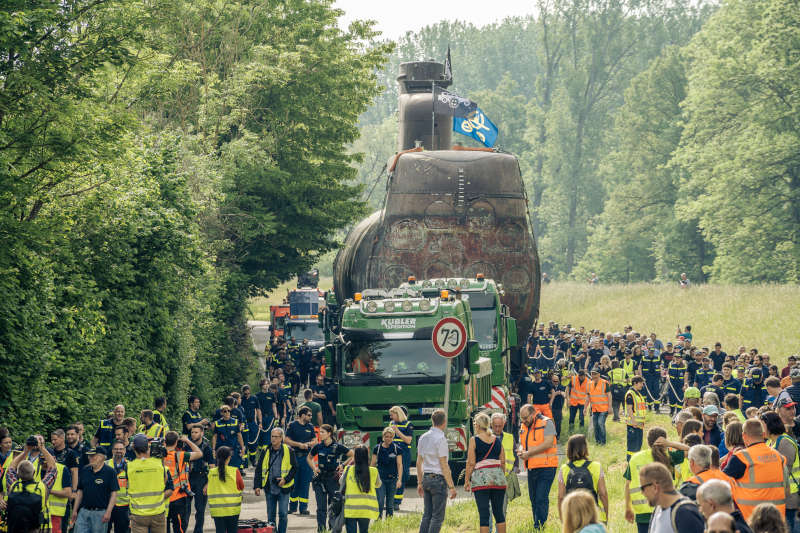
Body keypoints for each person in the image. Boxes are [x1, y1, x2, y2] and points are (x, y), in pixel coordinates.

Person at [722, 418, 789, 521]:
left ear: (744, 436)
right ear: (763, 434)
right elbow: (787, 489)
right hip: (777, 518)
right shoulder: (778, 456)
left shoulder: (741, 457)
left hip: (751, 519)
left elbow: (720, 483)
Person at [625, 427, 688, 533]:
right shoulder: (668, 456)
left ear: (647, 441)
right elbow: (691, 450)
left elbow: (627, 485)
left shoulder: (635, 458)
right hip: (664, 508)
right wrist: (670, 443)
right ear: (664, 442)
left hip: (642, 512)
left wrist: (628, 507)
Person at [463, 413, 506, 533]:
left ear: (476, 425)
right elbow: (502, 461)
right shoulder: (497, 440)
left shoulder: (474, 440)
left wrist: (467, 480)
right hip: (498, 479)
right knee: (499, 513)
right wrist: (500, 476)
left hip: (481, 481)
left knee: (484, 514)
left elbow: (471, 463)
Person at [417, 409, 457, 533]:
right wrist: (451, 486)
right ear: (444, 422)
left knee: (427, 515)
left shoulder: (423, 437)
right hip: (438, 480)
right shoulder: (441, 439)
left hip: (426, 478)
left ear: (432, 421)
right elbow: (444, 465)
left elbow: (419, 462)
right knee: (437, 517)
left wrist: (419, 482)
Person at [518, 404, 558, 530]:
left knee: (541, 497)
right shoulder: (524, 426)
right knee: (534, 498)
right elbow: (522, 443)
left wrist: (529, 453)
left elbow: (548, 443)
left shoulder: (547, 423)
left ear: (533, 413)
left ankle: (539, 526)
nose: (523, 421)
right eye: (522, 418)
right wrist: (521, 451)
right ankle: (537, 522)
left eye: (525, 418)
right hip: (532, 467)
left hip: (547, 467)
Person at [760, 411, 800, 529]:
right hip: (779, 495)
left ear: (770, 425)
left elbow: (782, 471)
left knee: (789, 528)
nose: (760, 429)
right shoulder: (770, 442)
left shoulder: (784, 442)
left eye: (762, 425)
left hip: (790, 497)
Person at [639, 462, 705, 533]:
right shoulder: (658, 510)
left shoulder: (685, 514)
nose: (642, 493)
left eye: (642, 488)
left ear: (655, 487)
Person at [126, 434, 173, 533]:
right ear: (148, 447)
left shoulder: (129, 467)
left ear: (133, 448)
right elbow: (165, 482)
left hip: (138, 514)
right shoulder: (159, 464)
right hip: (158, 513)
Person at [557, 434, 608, 523]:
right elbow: (603, 493)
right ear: (585, 448)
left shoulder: (564, 469)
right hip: (595, 517)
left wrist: (562, 519)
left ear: (569, 449)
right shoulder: (596, 466)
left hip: (573, 518)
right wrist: (606, 514)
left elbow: (561, 497)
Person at [309, 424, 352, 530]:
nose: (320, 434)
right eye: (320, 432)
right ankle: (321, 529)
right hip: (320, 479)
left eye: (322, 432)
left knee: (334, 505)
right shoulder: (318, 446)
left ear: (329, 434)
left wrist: (342, 465)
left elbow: (352, 454)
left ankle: (333, 528)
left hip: (333, 479)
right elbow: (309, 458)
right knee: (321, 508)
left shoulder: (337, 446)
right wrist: (314, 468)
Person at [254, 428, 296, 533]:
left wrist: (285, 479)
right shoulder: (265, 450)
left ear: (281, 438)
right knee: (271, 516)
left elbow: (295, 468)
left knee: (283, 514)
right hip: (270, 487)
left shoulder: (289, 450)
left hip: (284, 488)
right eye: (272, 436)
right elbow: (259, 469)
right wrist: (257, 486)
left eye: (276, 437)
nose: (273, 439)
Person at [71, 447, 118, 533]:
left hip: (100, 513)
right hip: (83, 512)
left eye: (93, 456)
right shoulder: (85, 470)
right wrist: (74, 510)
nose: (90, 458)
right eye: (89, 456)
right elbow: (80, 491)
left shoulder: (110, 472)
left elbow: (114, 494)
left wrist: (108, 512)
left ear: (101, 457)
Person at [162, 432, 202, 533]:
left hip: (164, 497)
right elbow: (199, 453)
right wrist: (187, 440)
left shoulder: (158, 457)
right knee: (179, 528)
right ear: (176, 442)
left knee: (164, 528)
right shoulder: (180, 455)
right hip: (179, 497)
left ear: (165, 442)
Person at [285, 406, 316, 515]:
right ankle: (292, 507)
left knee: (305, 483)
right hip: (294, 457)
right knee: (294, 483)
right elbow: (286, 439)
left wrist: (308, 444)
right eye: (309, 415)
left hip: (306, 458)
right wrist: (298, 444)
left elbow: (314, 440)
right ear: (302, 415)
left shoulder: (310, 427)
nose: (310, 417)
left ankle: (303, 508)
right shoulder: (292, 425)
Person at [205, 446, 244, 533]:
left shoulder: (211, 472)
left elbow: (208, 488)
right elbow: (241, 486)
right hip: (233, 509)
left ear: (216, 457)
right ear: (229, 457)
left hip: (217, 510)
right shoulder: (235, 471)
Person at [371, 427, 402, 520]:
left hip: (392, 479)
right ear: (383, 436)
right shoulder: (377, 448)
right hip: (380, 479)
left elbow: (400, 465)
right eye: (386, 436)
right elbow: (372, 464)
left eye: (390, 437)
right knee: (380, 502)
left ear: (393, 437)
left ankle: (389, 524)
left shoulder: (397, 449)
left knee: (390, 504)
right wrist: (370, 479)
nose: (388, 438)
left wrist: (399, 480)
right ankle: (378, 521)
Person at [389, 405, 413, 510]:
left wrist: (397, 431)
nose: (391, 417)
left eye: (392, 415)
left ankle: (397, 501)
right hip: (392, 453)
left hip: (404, 453)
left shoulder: (408, 425)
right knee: (391, 475)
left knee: (403, 476)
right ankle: (391, 501)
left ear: (398, 414)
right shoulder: (391, 424)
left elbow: (408, 440)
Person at [105, 441, 130, 533]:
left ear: (125, 451)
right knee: (104, 530)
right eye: (116, 449)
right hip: (107, 504)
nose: (118, 451)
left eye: (121, 449)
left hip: (124, 506)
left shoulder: (130, 465)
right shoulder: (105, 464)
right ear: (112, 451)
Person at [585, 368, 611, 445]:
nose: (593, 375)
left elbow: (609, 395)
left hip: (604, 408)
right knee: (595, 426)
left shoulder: (604, 383)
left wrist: (610, 407)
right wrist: (585, 408)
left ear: (599, 374)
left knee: (600, 423)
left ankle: (603, 442)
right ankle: (598, 442)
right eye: (592, 374)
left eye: (595, 373)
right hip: (594, 409)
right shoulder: (589, 384)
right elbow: (588, 397)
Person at [625, 376, 647, 460]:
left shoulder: (638, 393)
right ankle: (630, 462)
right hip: (633, 425)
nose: (642, 385)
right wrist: (634, 421)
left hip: (639, 425)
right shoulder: (630, 394)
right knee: (632, 446)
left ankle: (636, 461)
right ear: (635, 383)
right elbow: (629, 408)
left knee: (638, 445)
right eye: (641, 383)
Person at [240, 385, 262, 467]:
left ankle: (253, 460)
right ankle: (244, 462)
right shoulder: (240, 400)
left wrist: (260, 422)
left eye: (248, 393)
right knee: (244, 442)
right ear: (243, 392)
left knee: (254, 442)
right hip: (244, 424)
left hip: (252, 423)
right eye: (245, 394)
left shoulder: (254, 398)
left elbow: (258, 410)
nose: (247, 395)